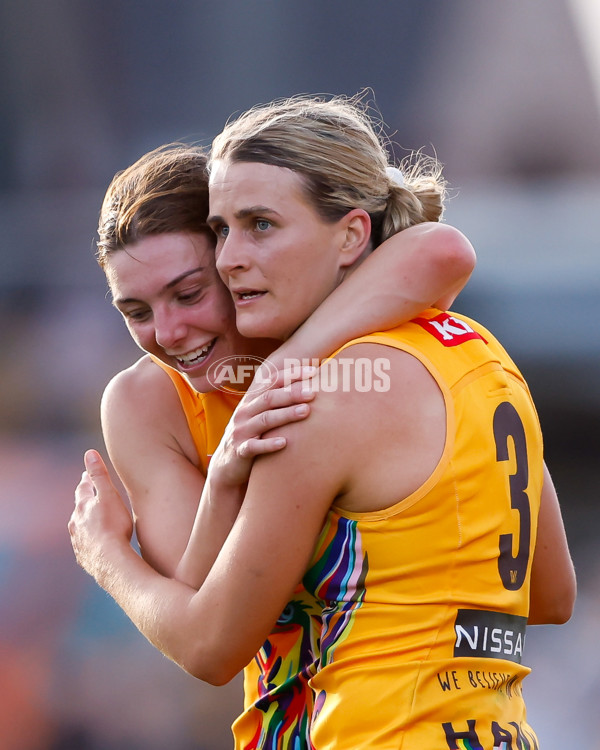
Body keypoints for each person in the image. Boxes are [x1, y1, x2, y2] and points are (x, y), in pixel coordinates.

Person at [70, 94, 576, 748]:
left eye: (259, 227)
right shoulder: (477, 350)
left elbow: (207, 641)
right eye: (133, 310)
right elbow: (545, 593)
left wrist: (105, 555)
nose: (170, 332)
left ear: (352, 232)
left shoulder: (315, 396)